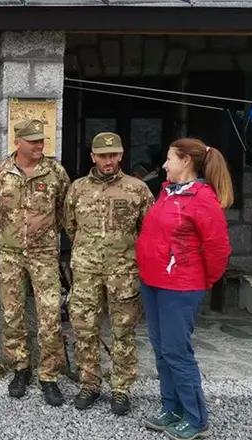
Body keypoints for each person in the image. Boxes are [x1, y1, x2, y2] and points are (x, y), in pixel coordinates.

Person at [136, 138, 232, 440]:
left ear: (186, 162)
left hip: (180, 286)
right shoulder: (167, 193)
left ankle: (196, 417)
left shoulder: (202, 199)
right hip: (154, 283)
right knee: (162, 350)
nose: (164, 164)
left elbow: (218, 248)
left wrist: (204, 280)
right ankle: (171, 407)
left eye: (169, 159)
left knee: (178, 352)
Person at [64, 132, 154, 415]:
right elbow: (69, 226)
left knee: (123, 333)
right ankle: (90, 383)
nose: (108, 161)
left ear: (121, 155)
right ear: (93, 157)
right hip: (86, 271)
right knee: (84, 330)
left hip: (123, 273)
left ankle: (121, 389)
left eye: (113, 155)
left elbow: (148, 230)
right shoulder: (77, 188)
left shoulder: (137, 189)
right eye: (102, 156)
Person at [0, 119, 70, 406]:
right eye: (32, 141)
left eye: (41, 141)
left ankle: (49, 376)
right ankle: (20, 368)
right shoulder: (0, 173)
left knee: (49, 315)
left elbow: (63, 211)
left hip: (45, 254)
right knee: (12, 315)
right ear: (17, 142)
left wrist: (43, 235)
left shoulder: (56, 172)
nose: (38, 145)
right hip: (10, 254)